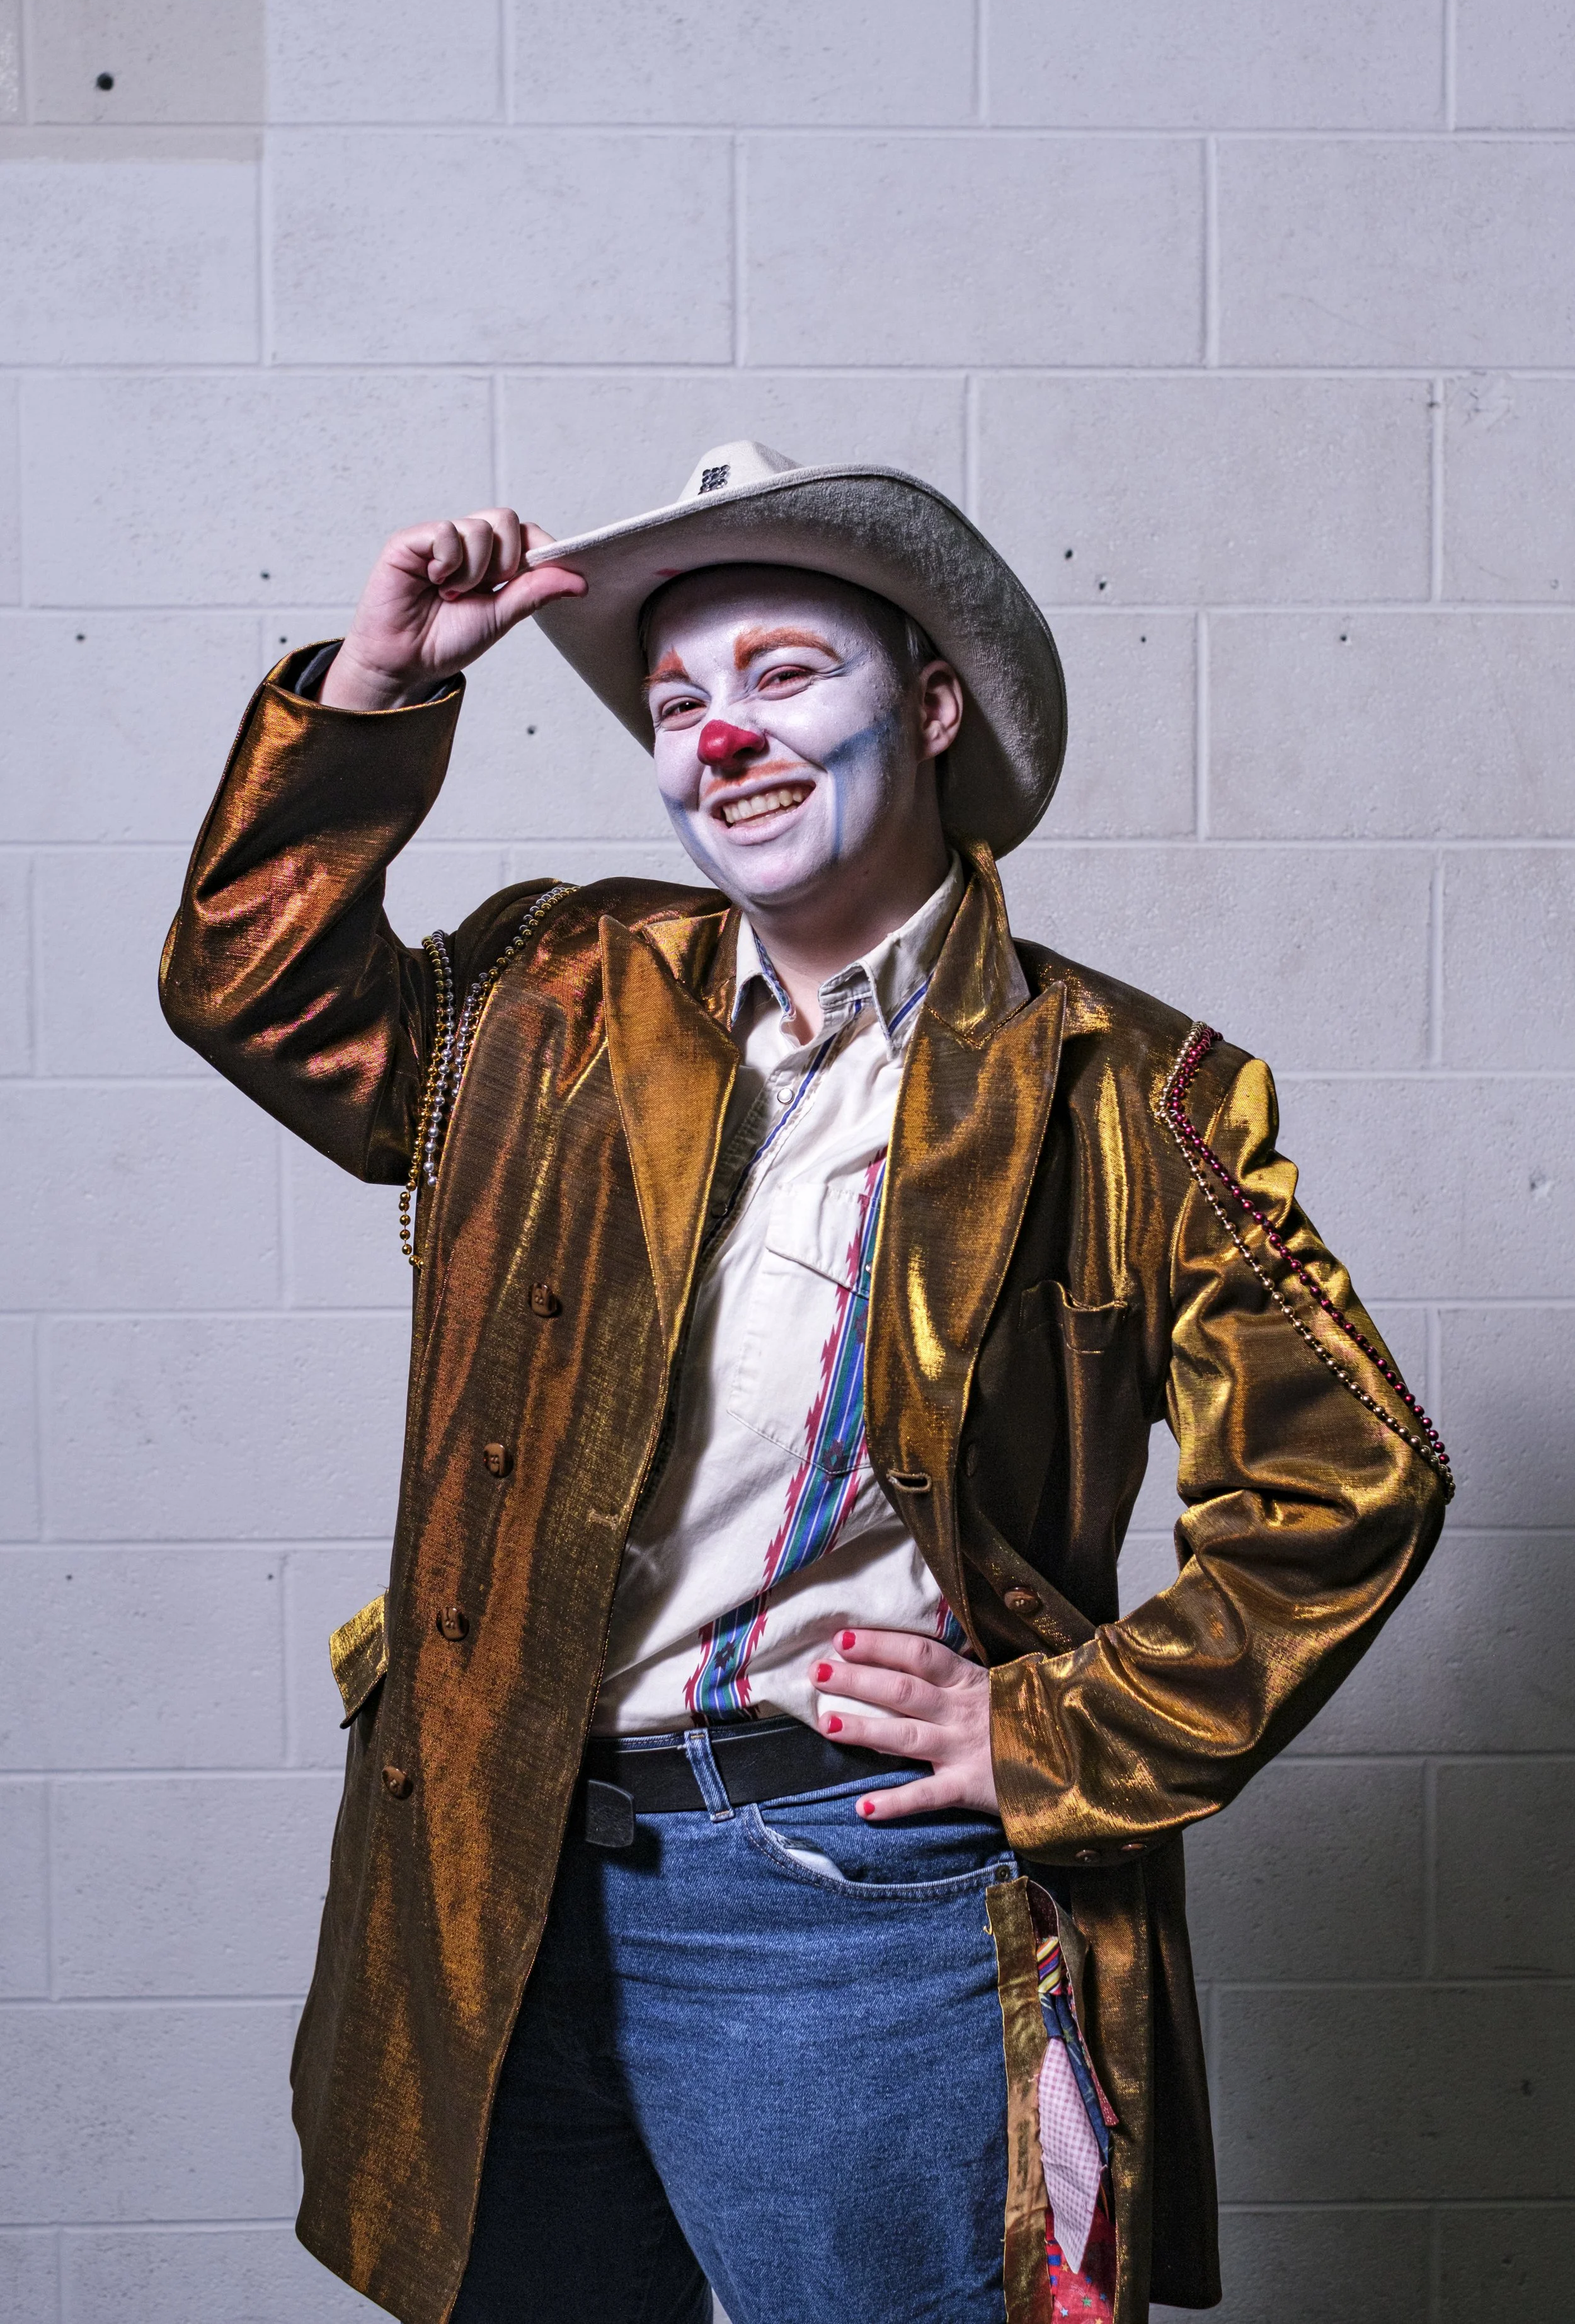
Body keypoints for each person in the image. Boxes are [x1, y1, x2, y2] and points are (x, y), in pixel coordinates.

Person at [160, 442, 1450, 2324]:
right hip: (493, 1892)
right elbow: (254, 987)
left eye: (783, 674)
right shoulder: (550, 991)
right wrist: (374, 698)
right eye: (678, 701)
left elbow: (1351, 1482)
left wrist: (1060, 1728)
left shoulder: (1122, 1087)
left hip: (849, 1912)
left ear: (929, 707)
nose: (720, 736)